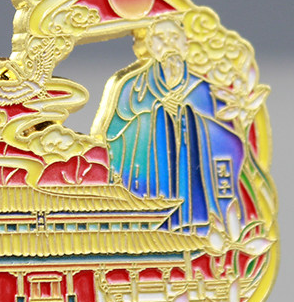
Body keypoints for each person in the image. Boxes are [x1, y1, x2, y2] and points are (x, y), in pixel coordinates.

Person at [99, 16, 244, 231]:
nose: (168, 43)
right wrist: (154, 116)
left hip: (195, 182)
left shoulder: (203, 89)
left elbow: (228, 139)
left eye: (175, 37)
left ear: (186, 45)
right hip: (150, 185)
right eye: (160, 38)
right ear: (149, 46)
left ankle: (200, 224)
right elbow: (111, 138)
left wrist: (188, 117)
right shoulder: (131, 88)